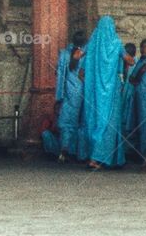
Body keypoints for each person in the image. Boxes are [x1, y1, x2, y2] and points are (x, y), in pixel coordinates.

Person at [82, 16, 130, 169]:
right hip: (112, 93)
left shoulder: (93, 43)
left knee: (95, 119)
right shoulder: (116, 43)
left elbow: (78, 59)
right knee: (109, 123)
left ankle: (94, 157)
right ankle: (100, 158)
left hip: (94, 91)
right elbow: (130, 60)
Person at [54, 29, 86, 162]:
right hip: (82, 92)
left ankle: (65, 149)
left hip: (68, 91)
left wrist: (59, 95)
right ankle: (79, 152)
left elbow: (59, 74)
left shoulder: (64, 54)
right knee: (81, 122)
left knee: (66, 122)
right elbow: (84, 75)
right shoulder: (86, 54)